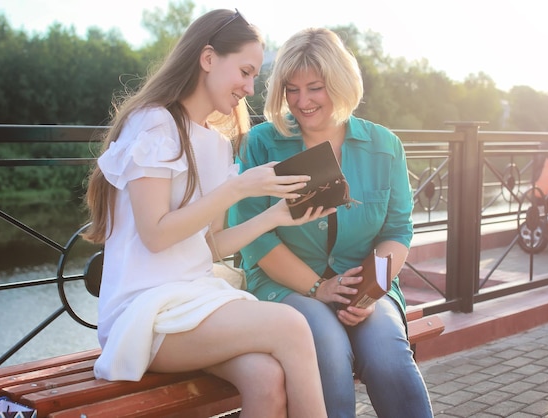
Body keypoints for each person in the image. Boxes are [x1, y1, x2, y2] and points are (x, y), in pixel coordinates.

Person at [82, 9, 330, 418]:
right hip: (145, 313)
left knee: (266, 378)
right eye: (245, 72)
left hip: (195, 300)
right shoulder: (154, 125)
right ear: (209, 58)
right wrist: (238, 187)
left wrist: (275, 217)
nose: (250, 88)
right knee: (292, 325)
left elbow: (210, 246)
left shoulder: (216, 145)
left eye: (255, 77)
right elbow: (156, 236)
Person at [230, 27, 434, 418]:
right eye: (292, 89)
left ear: (339, 84)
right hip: (284, 284)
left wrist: (370, 291)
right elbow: (255, 237)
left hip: (364, 283)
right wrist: (318, 287)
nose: (301, 101)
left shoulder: (385, 145)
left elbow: (396, 231)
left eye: (315, 87)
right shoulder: (261, 142)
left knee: (388, 354)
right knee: (326, 349)